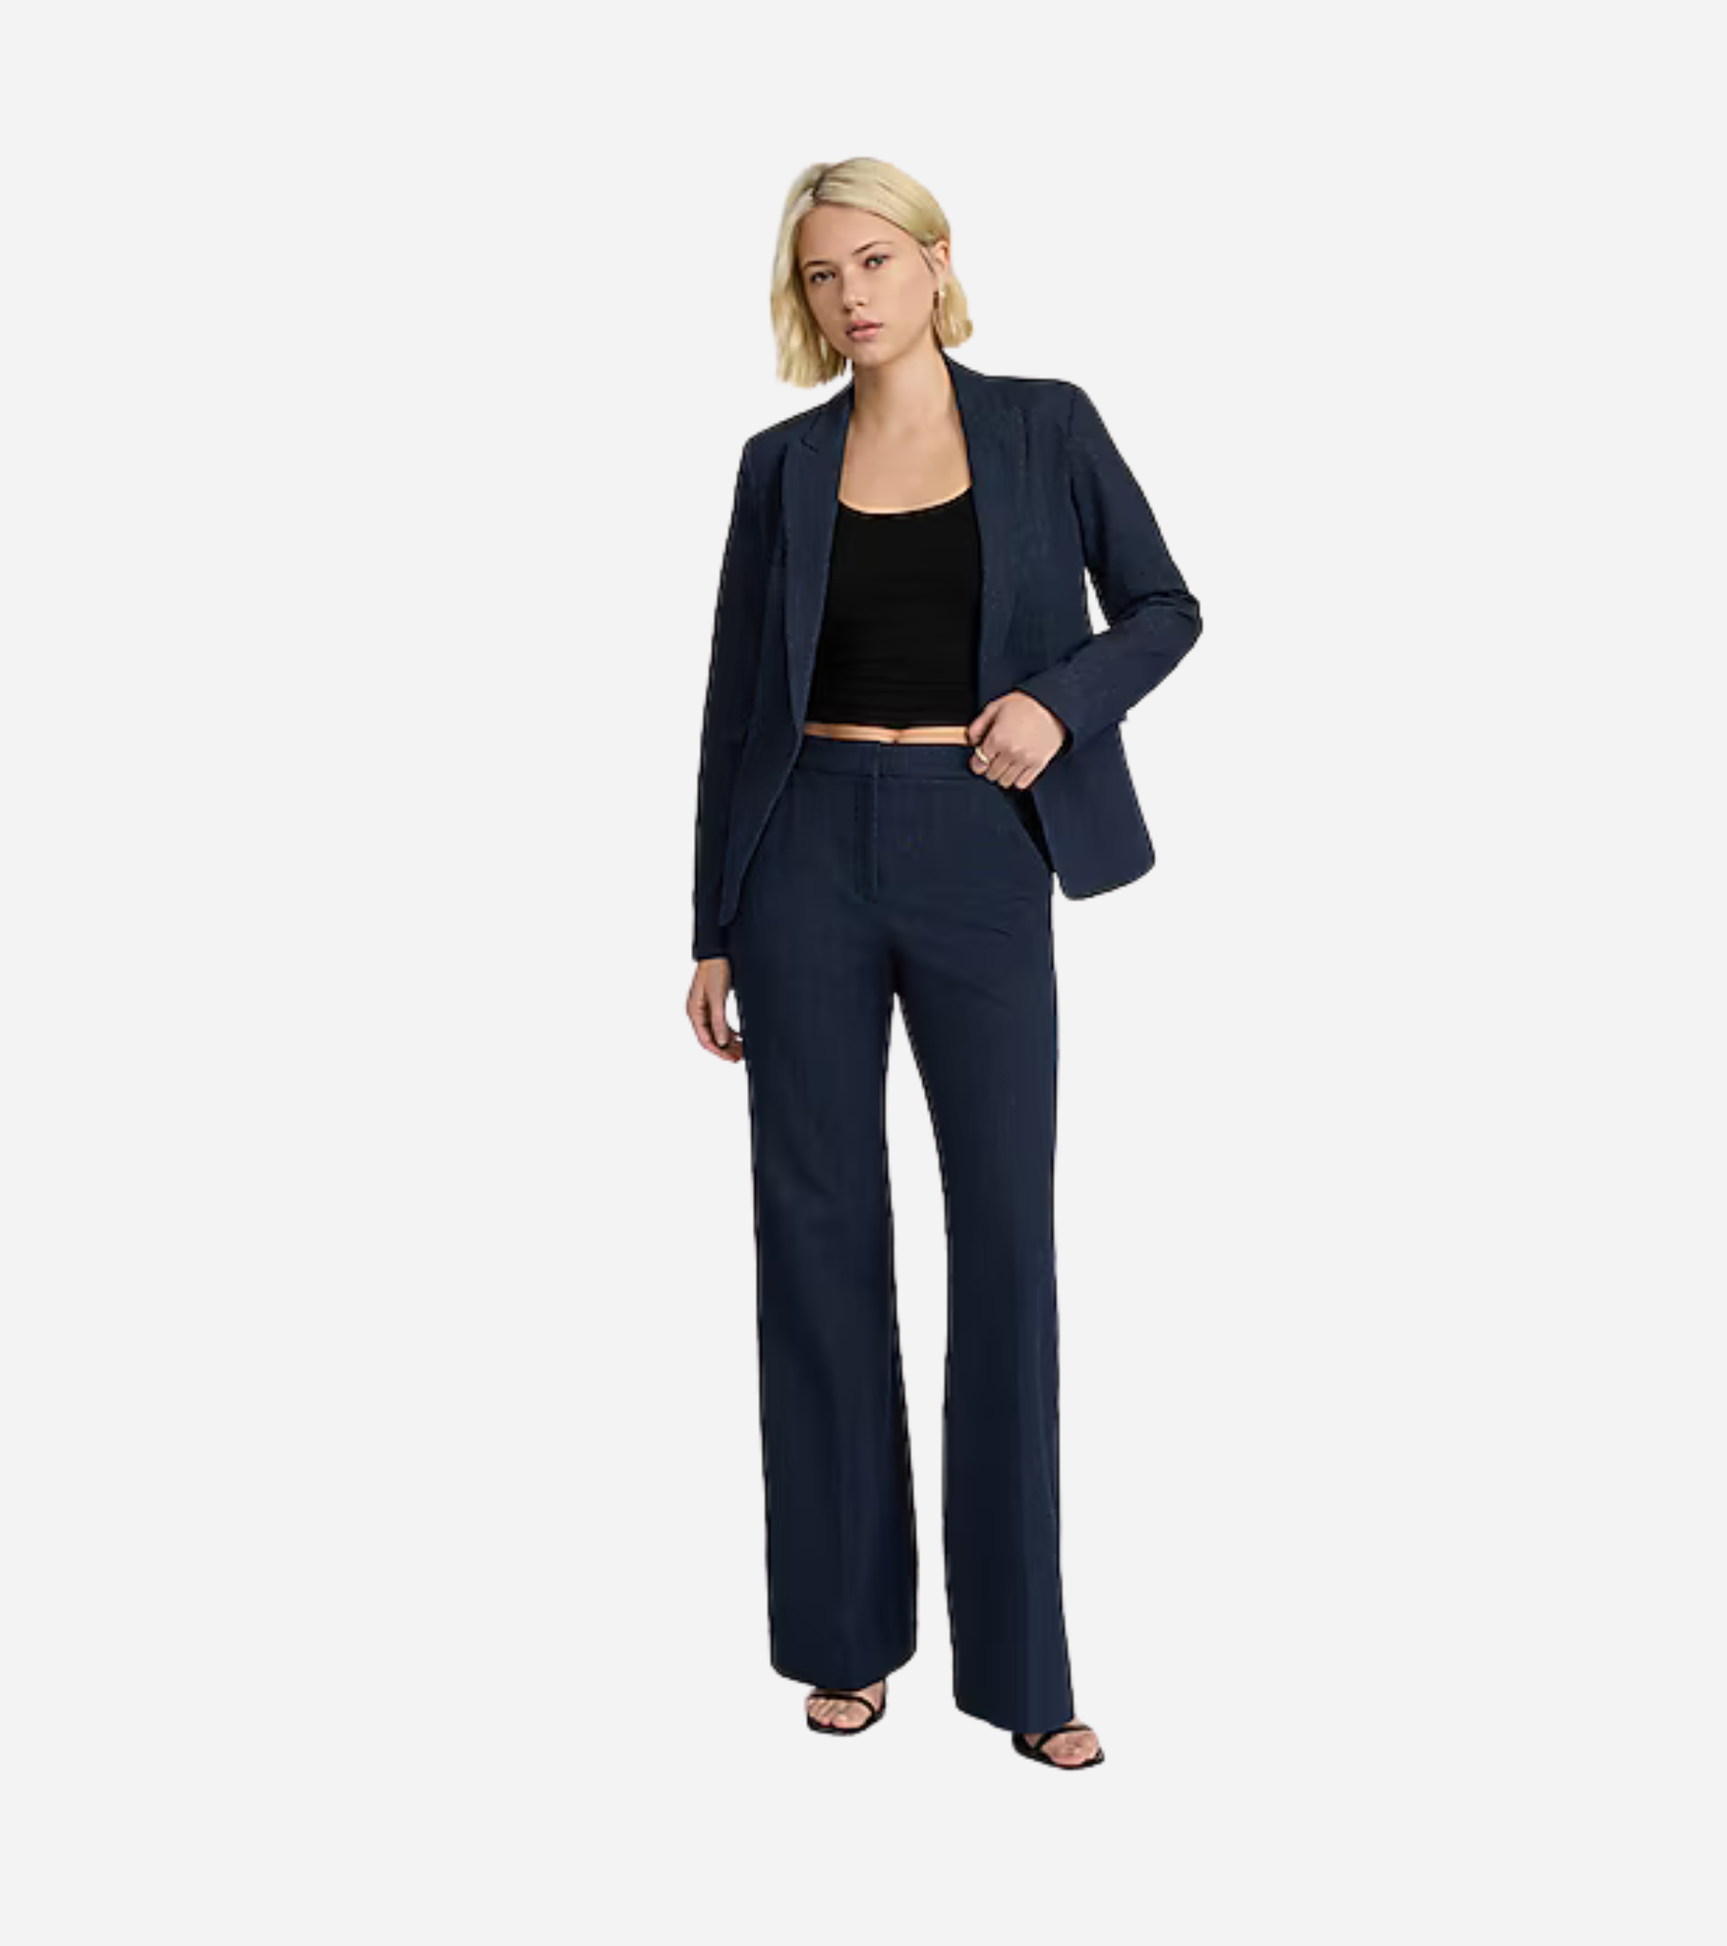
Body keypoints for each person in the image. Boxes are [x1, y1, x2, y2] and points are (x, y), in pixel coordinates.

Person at [684, 157, 1202, 1771]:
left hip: (982, 843)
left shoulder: (1045, 424)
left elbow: (1165, 606)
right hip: (803, 853)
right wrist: (710, 922)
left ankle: (1026, 1671)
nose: (849, 294)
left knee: (1004, 1241)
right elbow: (733, 702)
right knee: (815, 1238)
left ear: (932, 260)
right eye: (819, 272)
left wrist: (1058, 702)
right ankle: (842, 1640)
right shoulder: (779, 464)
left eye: (872, 260)